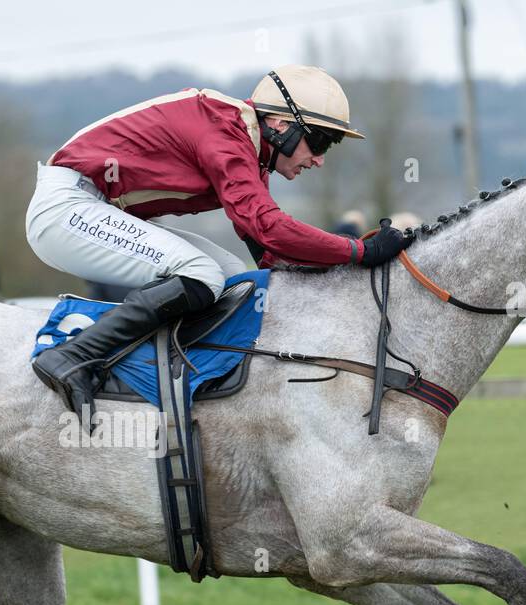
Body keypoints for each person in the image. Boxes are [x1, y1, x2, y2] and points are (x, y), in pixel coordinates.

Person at [25, 65, 413, 418]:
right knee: (202, 273)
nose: (320, 160)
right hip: (67, 208)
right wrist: (358, 251)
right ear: (280, 125)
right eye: (322, 142)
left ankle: (174, 377)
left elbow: (270, 256)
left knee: (231, 278)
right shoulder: (222, 128)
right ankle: (75, 355)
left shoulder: (249, 148)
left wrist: (350, 273)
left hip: (95, 207)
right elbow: (269, 228)